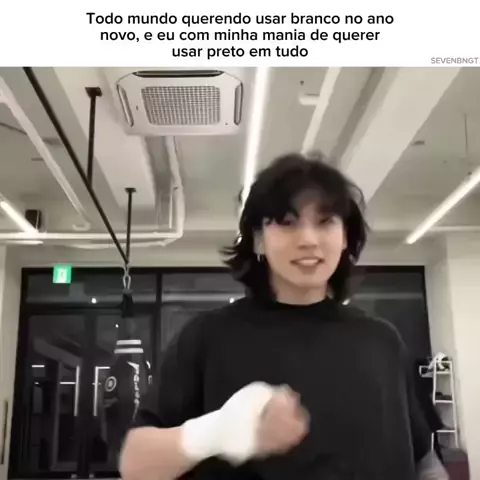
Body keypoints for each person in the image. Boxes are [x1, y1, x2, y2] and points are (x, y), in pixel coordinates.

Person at [119, 152, 448, 480]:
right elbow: (135, 464)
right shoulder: (208, 337)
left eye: (325, 221)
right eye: (287, 222)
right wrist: (216, 431)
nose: (308, 240)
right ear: (258, 240)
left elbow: (424, 460)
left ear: (345, 236)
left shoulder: (382, 341)